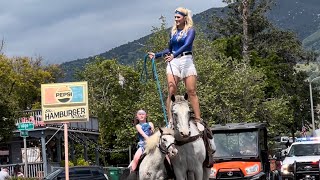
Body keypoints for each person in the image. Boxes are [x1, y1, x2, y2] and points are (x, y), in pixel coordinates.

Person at [148, 7, 204, 131]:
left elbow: (187, 45)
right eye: (175, 17)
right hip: (174, 61)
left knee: (191, 90)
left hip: (186, 60)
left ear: (184, 18)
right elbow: (169, 49)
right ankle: (170, 120)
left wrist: (174, 54)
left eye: (178, 17)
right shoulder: (173, 31)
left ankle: (198, 119)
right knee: (171, 89)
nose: (176, 20)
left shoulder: (190, 30)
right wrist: (156, 55)